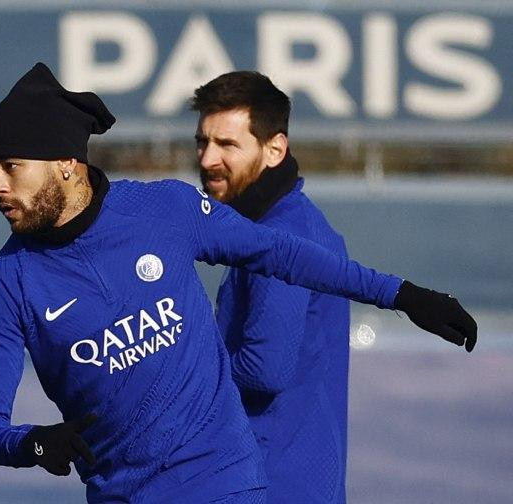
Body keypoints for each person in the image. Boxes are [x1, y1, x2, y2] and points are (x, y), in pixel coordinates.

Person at [0, 62, 476, 504]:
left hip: (228, 485)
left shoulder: (165, 209)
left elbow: (281, 255)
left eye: (11, 166)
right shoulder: (7, 283)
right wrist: (29, 444)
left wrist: (402, 295)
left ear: (67, 165)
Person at [191, 70, 475, 503]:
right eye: (203, 141)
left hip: (267, 486)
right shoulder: (284, 223)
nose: (208, 158)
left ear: (274, 150)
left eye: (227, 144)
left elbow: (265, 368)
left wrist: (170, 366)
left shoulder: (282, 237)